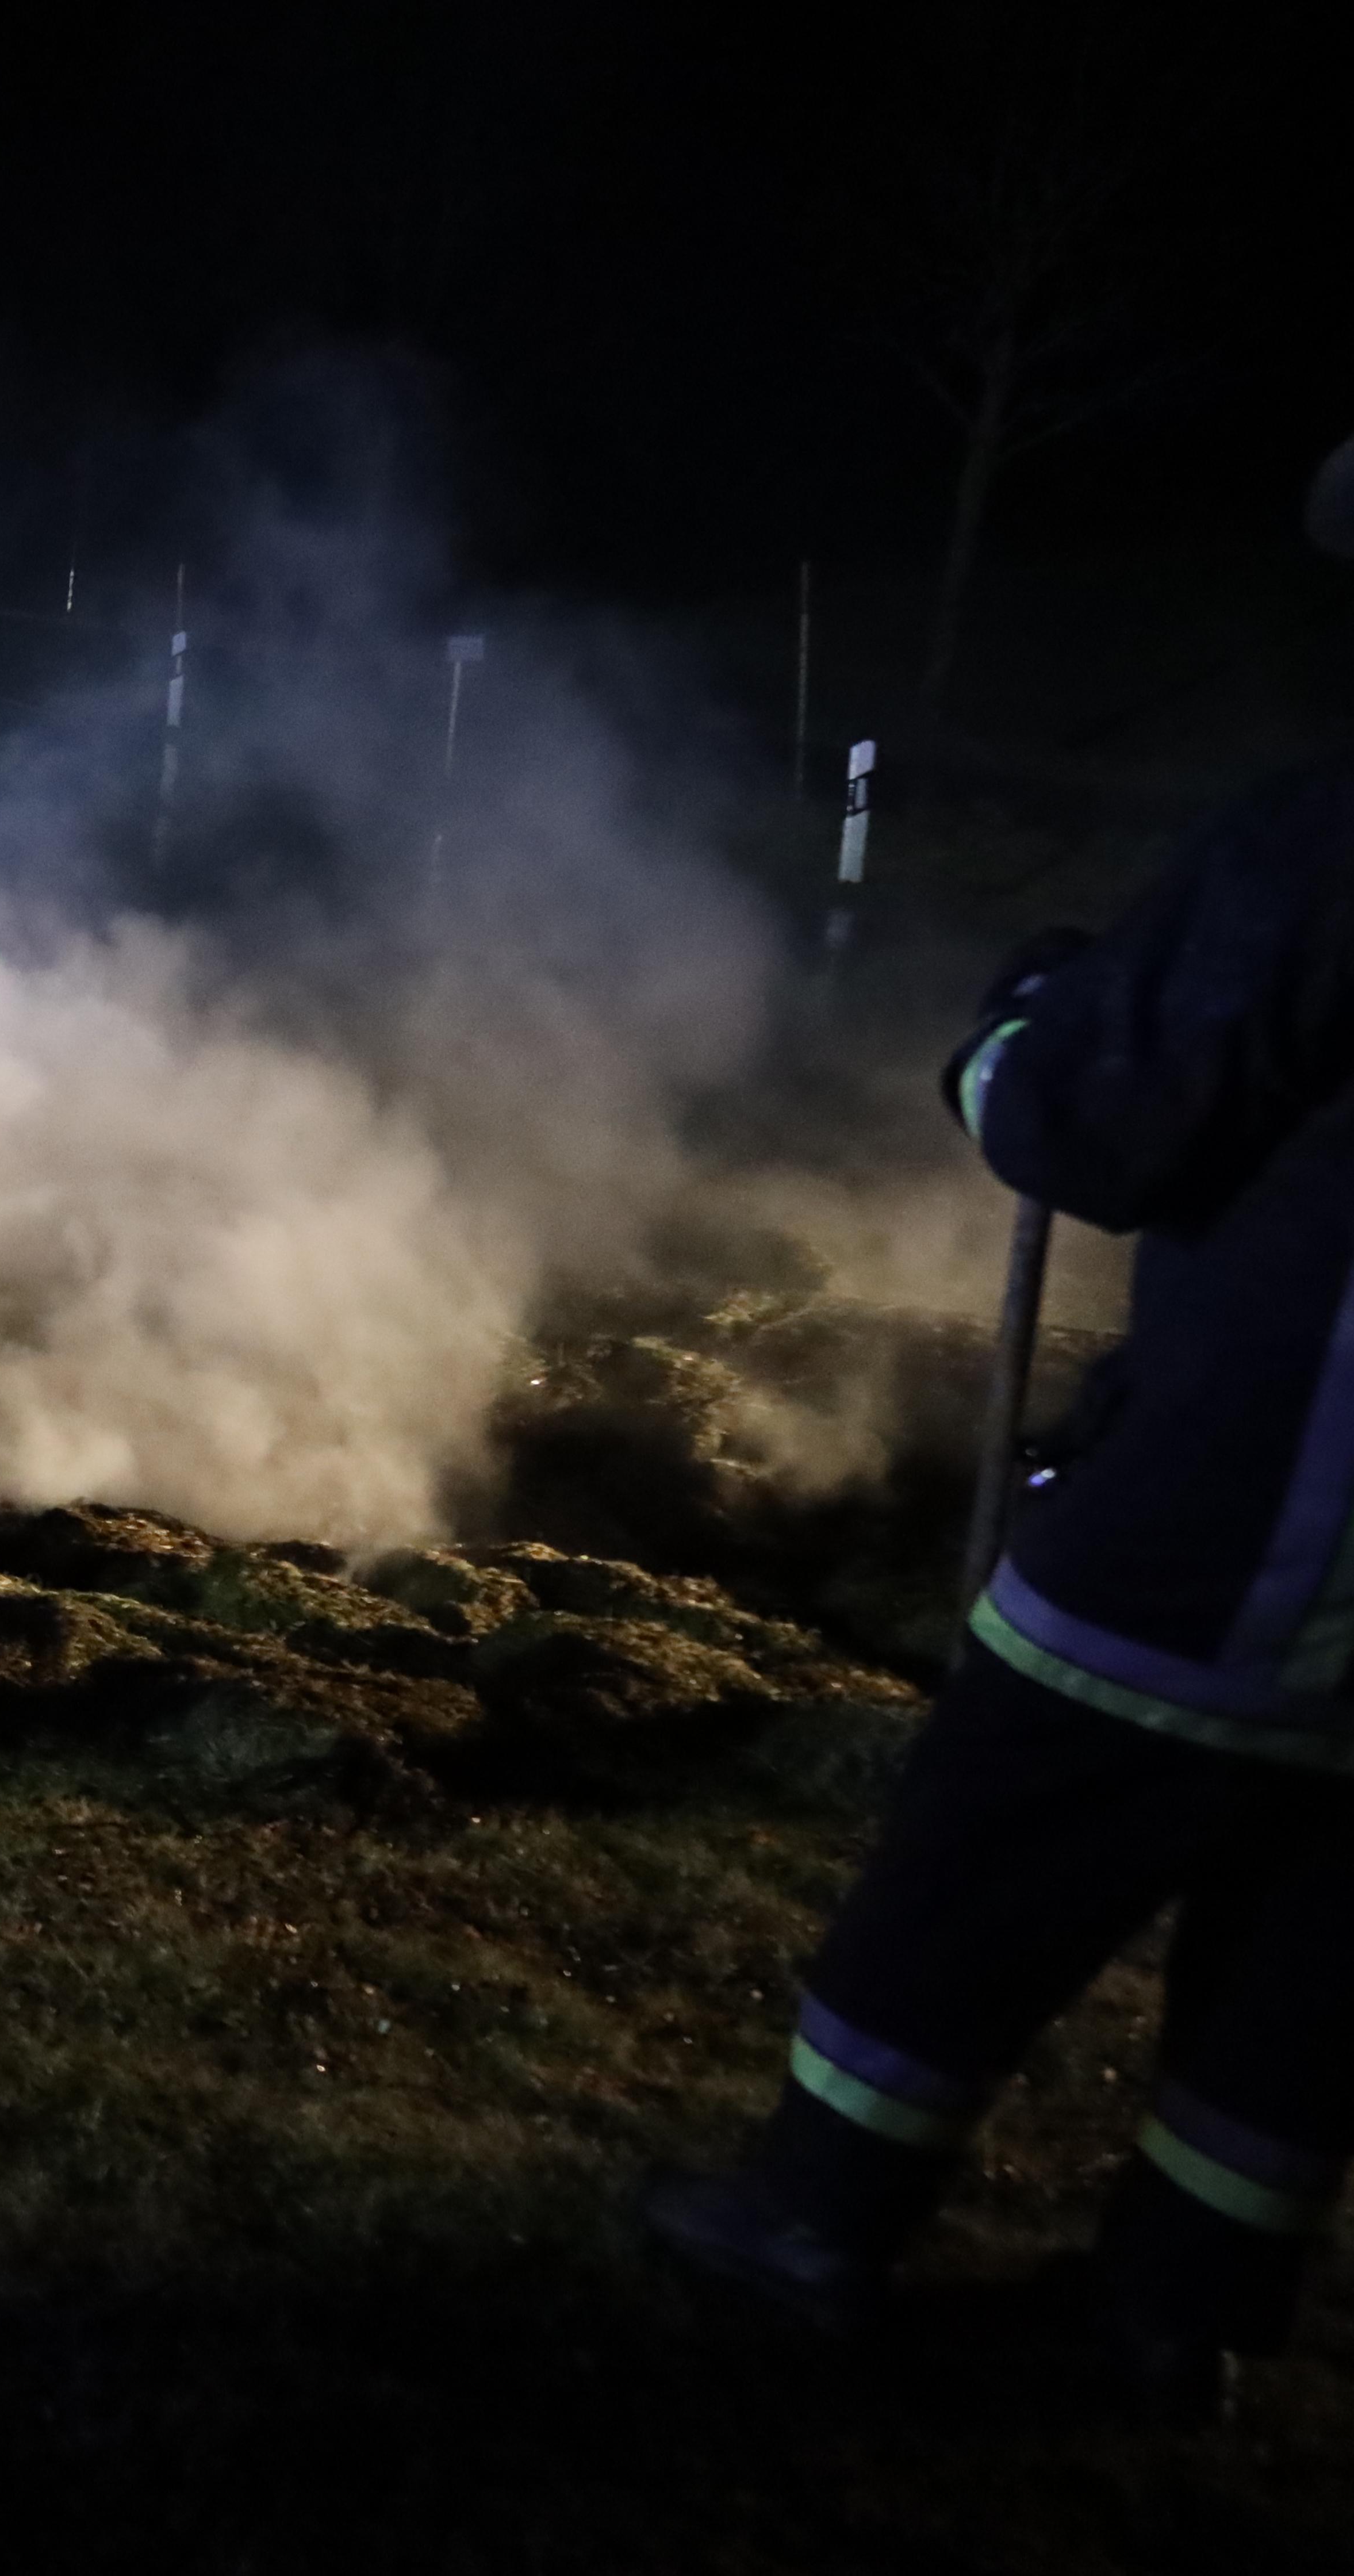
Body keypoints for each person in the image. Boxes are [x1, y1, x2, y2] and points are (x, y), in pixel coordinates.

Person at [646, 436, 1354, 2424]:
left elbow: (1097, 1121)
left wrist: (1019, 1030)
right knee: (1316, 1932)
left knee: (1001, 1811)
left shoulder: (1322, 839)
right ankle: (1179, 2315)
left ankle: (811, 2214)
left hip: (1266, 1496)